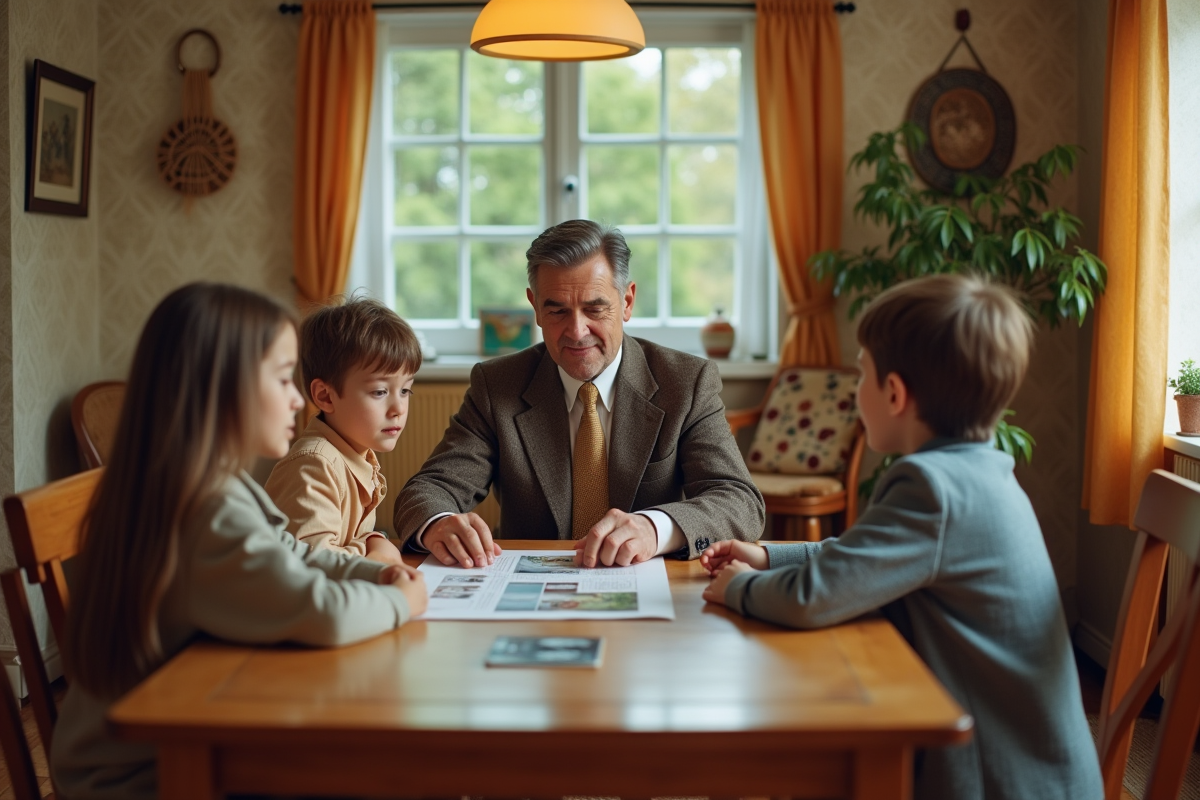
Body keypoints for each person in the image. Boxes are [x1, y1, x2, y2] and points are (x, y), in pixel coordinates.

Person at [700, 274, 1103, 800]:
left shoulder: (932, 488)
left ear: (893, 393)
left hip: (994, 777)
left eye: (861, 375)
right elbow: (863, 556)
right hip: (1038, 770)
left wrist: (736, 587)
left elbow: (815, 596)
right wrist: (767, 555)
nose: (854, 394)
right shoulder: (979, 471)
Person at [53, 283, 427, 800]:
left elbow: (294, 554)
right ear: (220, 392)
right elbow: (323, 612)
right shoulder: (205, 506)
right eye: (281, 379)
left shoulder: (214, 483)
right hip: (144, 775)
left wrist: (376, 571)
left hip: (176, 736)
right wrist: (399, 599)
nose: (299, 399)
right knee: (380, 764)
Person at [394, 219, 764, 569]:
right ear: (536, 307)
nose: (576, 331)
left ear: (628, 301)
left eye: (594, 309)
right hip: (529, 593)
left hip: (651, 586)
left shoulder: (685, 382)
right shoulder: (497, 385)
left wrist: (655, 528)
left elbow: (739, 501)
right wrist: (439, 523)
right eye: (557, 311)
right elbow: (429, 489)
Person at [265, 296, 420, 566]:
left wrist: (373, 540)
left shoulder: (356, 451)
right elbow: (311, 565)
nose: (398, 408)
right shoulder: (313, 464)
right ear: (325, 396)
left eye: (405, 390)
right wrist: (374, 548)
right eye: (380, 391)